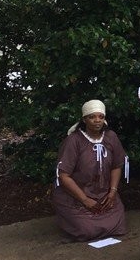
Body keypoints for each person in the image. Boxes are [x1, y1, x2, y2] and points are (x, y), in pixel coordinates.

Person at [52, 99, 129, 242]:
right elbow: (63, 176)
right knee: (86, 229)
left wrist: (112, 192)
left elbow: (117, 166)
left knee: (119, 224)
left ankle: (98, 224)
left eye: (101, 116)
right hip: (76, 197)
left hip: (103, 195)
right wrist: (85, 199)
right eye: (92, 117)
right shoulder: (74, 140)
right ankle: (80, 224)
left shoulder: (111, 137)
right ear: (84, 119)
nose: (97, 120)